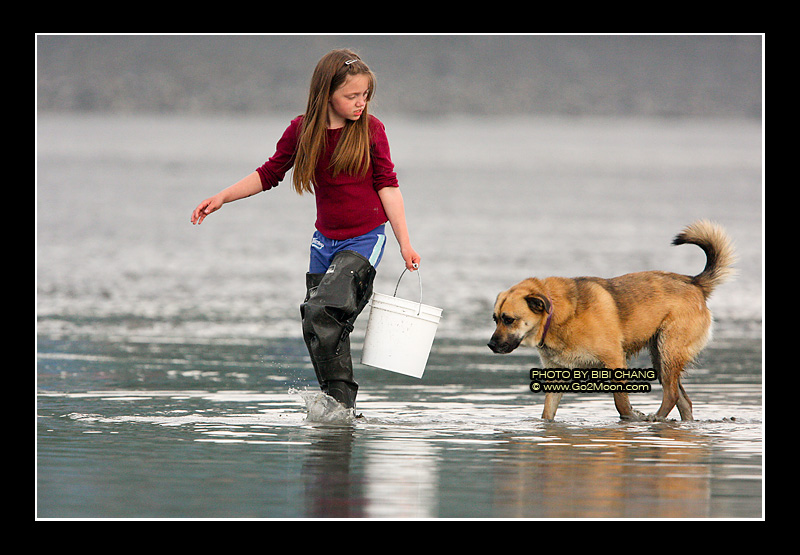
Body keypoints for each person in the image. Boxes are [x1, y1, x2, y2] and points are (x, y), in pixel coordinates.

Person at [190, 48, 420, 412]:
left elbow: (388, 186)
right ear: (326, 93)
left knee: (324, 308)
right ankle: (339, 407)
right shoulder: (302, 131)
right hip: (323, 242)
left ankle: (341, 410)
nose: (361, 103)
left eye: (365, 95)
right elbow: (268, 174)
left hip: (365, 238)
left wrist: (405, 244)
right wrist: (222, 197)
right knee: (316, 322)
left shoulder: (372, 131)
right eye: (351, 96)